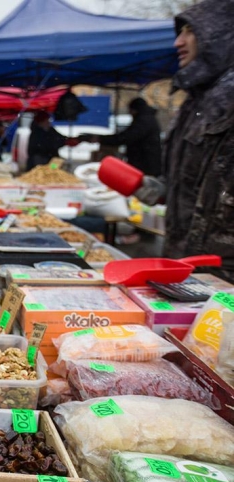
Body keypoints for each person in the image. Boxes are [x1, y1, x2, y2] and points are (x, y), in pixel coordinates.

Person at [133, 0, 234, 281]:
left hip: (222, 278)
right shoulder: (195, 102)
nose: (179, 42)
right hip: (187, 269)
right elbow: (199, 185)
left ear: (221, 34)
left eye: (191, 31)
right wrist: (158, 188)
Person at [80, 97, 162, 176]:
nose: (130, 113)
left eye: (130, 110)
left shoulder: (144, 120)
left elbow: (126, 137)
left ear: (135, 110)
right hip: (147, 162)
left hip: (145, 164)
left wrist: (100, 139)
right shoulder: (147, 118)